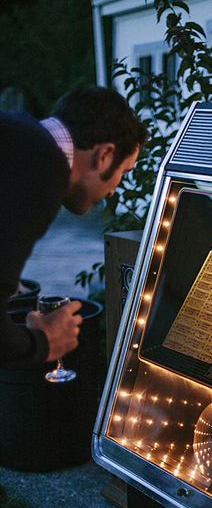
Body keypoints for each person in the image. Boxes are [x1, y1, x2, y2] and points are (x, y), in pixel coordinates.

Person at [0, 85, 147, 369]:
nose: (114, 191)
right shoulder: (44, 169)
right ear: (104, 155)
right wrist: (42, 342)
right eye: (123, 173)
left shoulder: (20, 138)